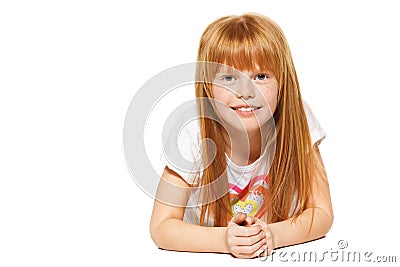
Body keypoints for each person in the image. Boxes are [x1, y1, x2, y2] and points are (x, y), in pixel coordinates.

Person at [149, 12, 333, 259]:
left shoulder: (298, 119)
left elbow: (321, 212)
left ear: (282, 82)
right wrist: (225, 240)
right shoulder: (193, 132)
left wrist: (272, 235)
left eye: (261, 76)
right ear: (208, 86)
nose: (245, 92)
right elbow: (162, 227)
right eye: (228, 78)